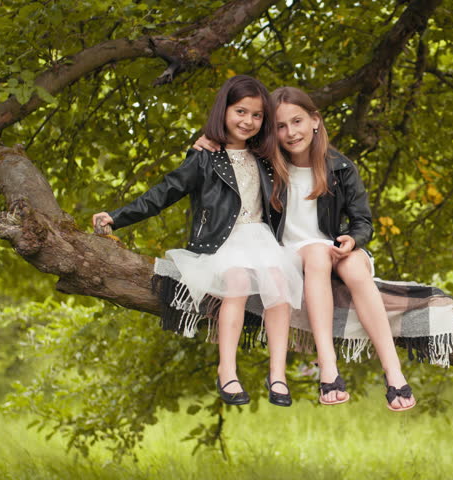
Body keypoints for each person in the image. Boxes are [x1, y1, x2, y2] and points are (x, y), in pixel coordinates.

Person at [195, 86, 416, 411]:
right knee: (315, 253)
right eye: (281, 126)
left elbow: (362, 222)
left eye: (297, 121)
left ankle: (393, 372)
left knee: (355, 266)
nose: (290, 132)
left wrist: (352, 240)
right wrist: (202, 145)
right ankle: (328, 369)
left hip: (330, 249)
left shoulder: (340, 168)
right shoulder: (265, 164)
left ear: (315, 120)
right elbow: (229, 154)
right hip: (284, 253)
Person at [93, 75, 303, 407]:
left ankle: (277, 373)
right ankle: (227, 370)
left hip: (261, 241)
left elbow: (302, 149)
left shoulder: (266, 158)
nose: (247, 121)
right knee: (237, 280)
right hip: (221, 244)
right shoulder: (205, 157)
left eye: (257, 115)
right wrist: (117, 217)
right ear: (224, 110)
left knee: (279, 281)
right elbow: (165, 191)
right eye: (240, 112)